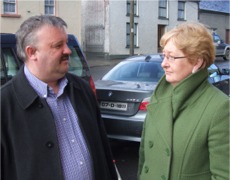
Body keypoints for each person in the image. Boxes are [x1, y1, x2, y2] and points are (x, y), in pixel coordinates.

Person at [1, 15, 118, 180]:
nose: (68, 50)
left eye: (66, 43)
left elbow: (104, 151)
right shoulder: (4, 105)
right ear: (32, 52)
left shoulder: (81, 89)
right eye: (58, 45)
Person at [138, 22, 229, 180]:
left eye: (172, 57)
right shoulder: (158, 98)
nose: (164, 64)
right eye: (164, 55)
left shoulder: (219, 107)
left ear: (197, 61)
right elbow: (144, 160)